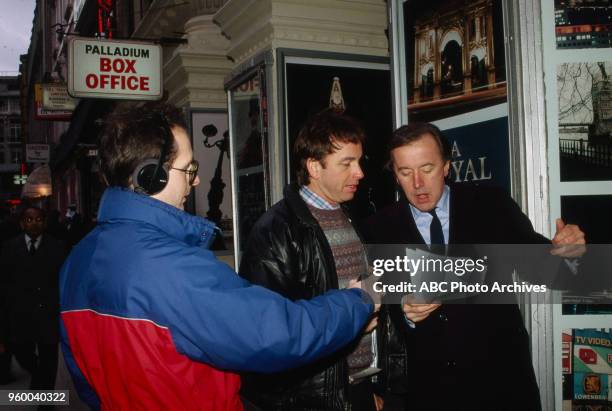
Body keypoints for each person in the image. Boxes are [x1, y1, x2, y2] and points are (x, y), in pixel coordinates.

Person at [59, 102, 375, 411]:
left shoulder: (77, 260)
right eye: (189, 169)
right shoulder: (173, 268)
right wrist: (358, 301)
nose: (196, 180)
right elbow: (277, 334)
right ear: (151, 177)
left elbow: (84, 378)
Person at [362, 122, 585, 411]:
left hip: (501, 388)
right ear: (395, 174)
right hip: (427, 393)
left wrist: (569, 254)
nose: (417, 183)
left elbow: (546, 272)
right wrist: (403, 311)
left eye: (427, 169)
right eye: (405, 172)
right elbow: (376, 315)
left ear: (446, 167)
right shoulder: (379, 230)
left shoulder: (491, 206)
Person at [239, 109, 381, 411]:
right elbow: (270, 335)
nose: (360, 173)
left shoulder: (354, 216)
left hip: (358, 388)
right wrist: (350, 324)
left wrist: (370, 388)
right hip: (310, 400)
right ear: (314, 167)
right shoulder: (274, 232)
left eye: (359, 161)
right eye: (347, 163)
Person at [0, 206, 66, 392]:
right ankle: (39, 375)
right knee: (21, 352)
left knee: (49, 359)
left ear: (44, 223)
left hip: (48, 313)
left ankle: (45, 402)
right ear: (22, 223)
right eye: (29, 219)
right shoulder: (9, 247)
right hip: (20, 314)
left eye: (38, 219)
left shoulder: (57, 247)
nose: (34, 223)